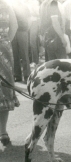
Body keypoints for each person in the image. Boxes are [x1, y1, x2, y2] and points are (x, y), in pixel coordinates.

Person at [0, 0, 20, 146]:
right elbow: (14, 27)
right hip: (4, 49)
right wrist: (5, 41)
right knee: (4, 89)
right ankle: (3, 132)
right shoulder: (6, 5)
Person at [11, 0, 31, 83]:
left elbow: (29, 20)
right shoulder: (11, 6)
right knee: (15, 55)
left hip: (22, 31)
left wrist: (26, 30)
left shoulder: (24, 7)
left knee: (24, 55)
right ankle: (17, 76)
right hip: (13, 32)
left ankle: (27, 76)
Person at [28, 0, 40, 68]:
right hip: (29, 23)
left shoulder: (34, 2)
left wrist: (29, 13)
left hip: (34, 22)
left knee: (33, 42)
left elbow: (38, 13)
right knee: (31, 43)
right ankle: (33, 60)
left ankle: (35, 61)